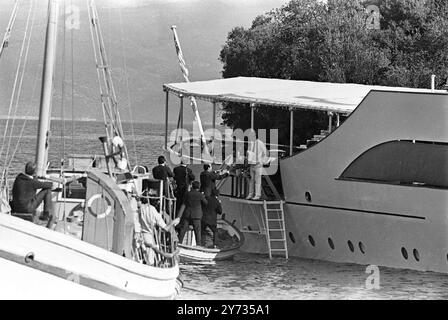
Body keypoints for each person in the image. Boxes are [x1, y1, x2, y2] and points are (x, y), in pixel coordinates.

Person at [134, 193, 179, 266]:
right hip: (149, 238)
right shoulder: (153, 211)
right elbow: (165, 228)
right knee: (150, 261)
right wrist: (173, 222)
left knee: (140, 258)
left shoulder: (140, 208)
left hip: (139, 236)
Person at [11, 161, 55, 226]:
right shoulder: (33, 182)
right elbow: (49, 185)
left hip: (15, 207)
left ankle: (46, 215)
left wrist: (35, 178)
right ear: (34, 172)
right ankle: (46, 216)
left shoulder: (18, 178)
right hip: (28, 209)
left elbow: (29, 182)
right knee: (47, 190)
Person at [177, 180, 207, 246]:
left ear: (192, 187)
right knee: (197, 231)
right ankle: (198, 245)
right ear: (198, 187)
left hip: (187, 214)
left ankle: (179, 243)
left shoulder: (188, 193)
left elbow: (184, 203)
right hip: (196, 215)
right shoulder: (200, 195)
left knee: (183, 230)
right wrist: (203, 196)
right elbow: (205, 203)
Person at [246, 131, 269, 200]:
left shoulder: (260, 143)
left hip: (258, 164)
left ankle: (257, 195)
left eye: (251, 137)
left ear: (254, 136)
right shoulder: (251, 144)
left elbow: (266, 152)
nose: (250, 138)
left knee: (258, 180)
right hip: (252, 164)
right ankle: (250, 194)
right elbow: (249, 152)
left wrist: (262, 161)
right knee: (252, 180)